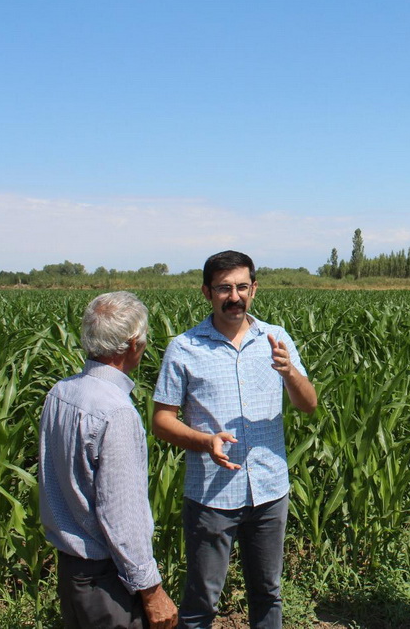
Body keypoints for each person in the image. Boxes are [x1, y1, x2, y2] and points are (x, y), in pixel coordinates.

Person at [152, 250, 317, 629]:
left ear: (254, 289)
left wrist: (290, 373)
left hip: (269, 488)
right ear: (206, 293)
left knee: (268, 593)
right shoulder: (185, 347)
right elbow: (162, 421)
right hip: (212, 494)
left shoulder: (275, 339)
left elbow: (308, 405)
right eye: (224, 288)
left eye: (242, 286)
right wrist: (204, 441)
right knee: (202, 601)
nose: (235, 296)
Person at [39, 291, 178, 629]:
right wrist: (151, 590)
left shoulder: (60, 392)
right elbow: (120, 513)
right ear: (134, 344)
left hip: (72, 572)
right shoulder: (115, 412)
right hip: (108, 580)